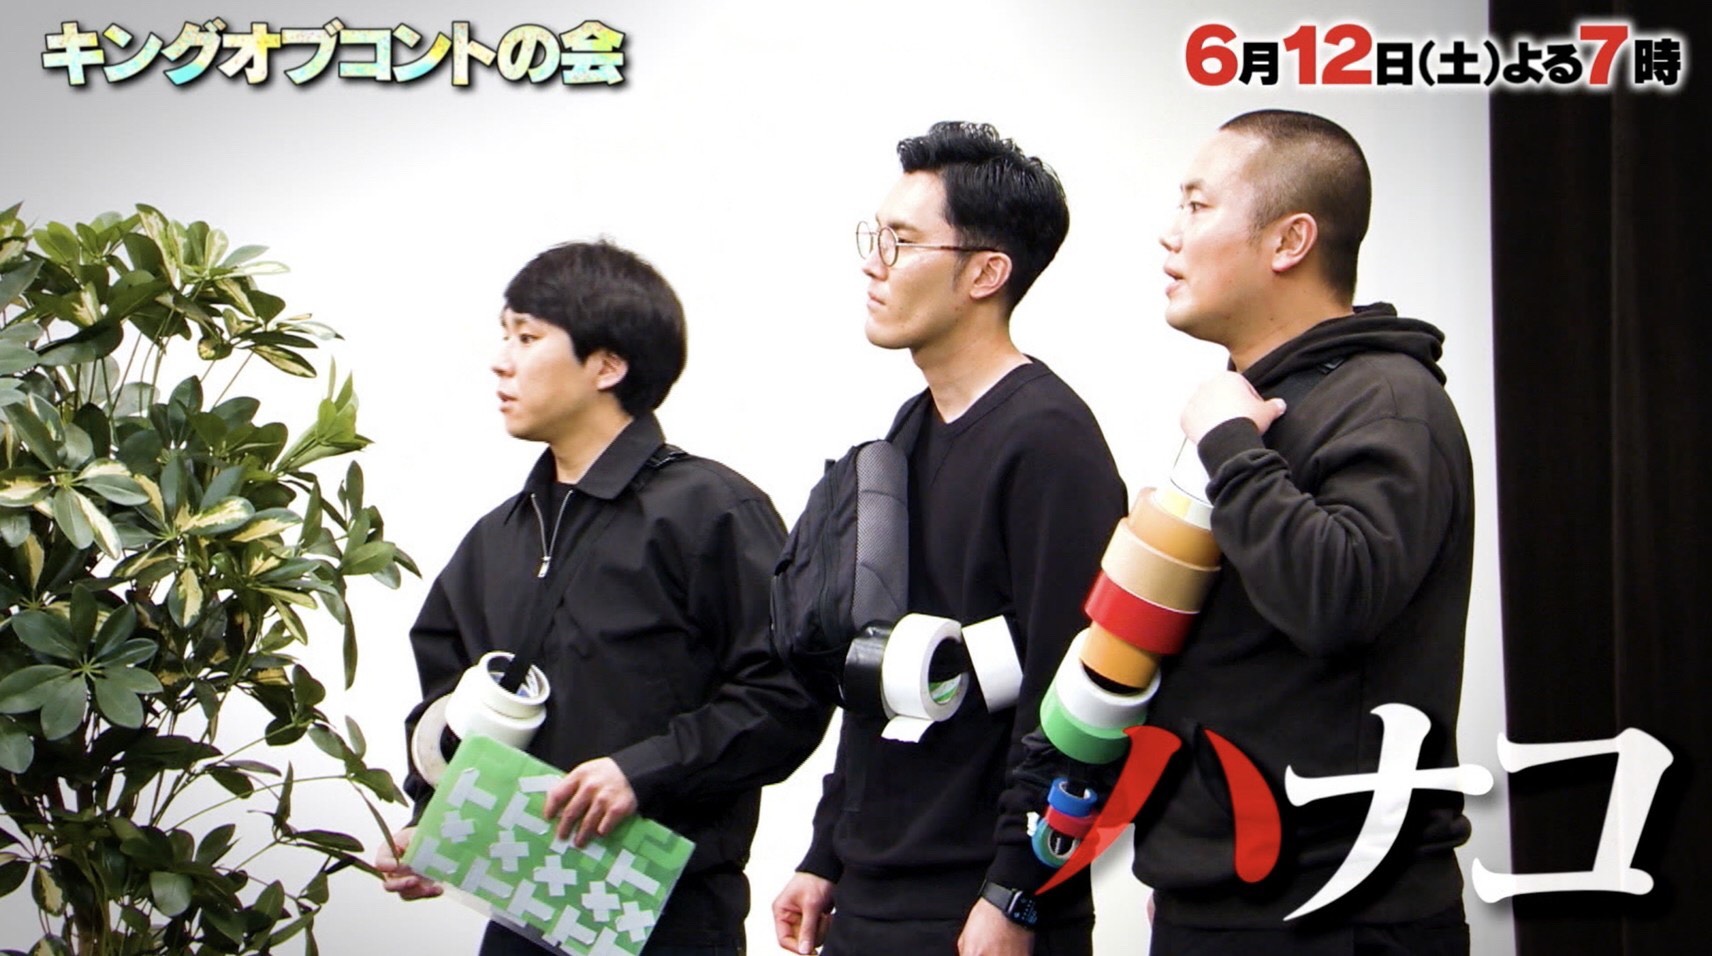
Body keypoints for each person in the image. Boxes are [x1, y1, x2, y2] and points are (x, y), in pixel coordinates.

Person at [376, 241, 829, 956]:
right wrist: (432, 817)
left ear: (607, 366)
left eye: (527, 337)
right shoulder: (497, 537)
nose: (501, 360)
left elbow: (787, 694)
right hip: (521, 913)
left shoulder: (709, 509)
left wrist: (640, 774)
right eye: (504, 335)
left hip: (667, 919)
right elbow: (446, 708)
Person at [770, 122, 1127, 956]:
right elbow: (876, 661)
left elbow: (1078, 696)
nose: (874, 263)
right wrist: (826, 852)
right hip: (875, 890)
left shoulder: (1051, 444)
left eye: (901, 241)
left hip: (978, 904)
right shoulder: (911, 427)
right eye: (875, 236)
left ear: (985, 273)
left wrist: (1015, 892)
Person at [1134, 109, 1476, 954]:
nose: (1170, 233)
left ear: (1289, 241)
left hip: (1342, 911)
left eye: (1198, 205)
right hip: (1219, 900)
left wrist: (1230, 447)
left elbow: (1337, 598)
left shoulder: (1388, 400)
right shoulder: (1254, 406)